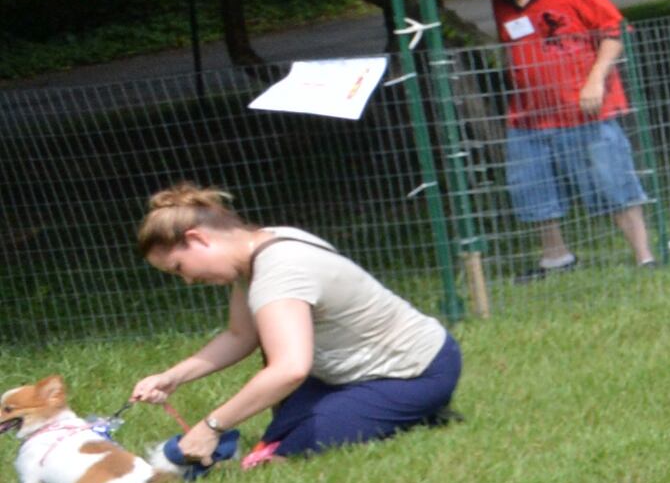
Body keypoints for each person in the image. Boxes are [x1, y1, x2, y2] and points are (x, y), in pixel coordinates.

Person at [130, 182, 463, 465]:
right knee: (275, 436)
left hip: (414, 372)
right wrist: (172, 377)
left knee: (280, 456)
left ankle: (420, 408)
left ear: (198, 239)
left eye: (179, 267)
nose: (187, 280)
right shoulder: (261, 248)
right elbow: (240, 335)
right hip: (342, 375)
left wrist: (209, 428)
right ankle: (392, 412)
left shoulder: (280, 270)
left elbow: (289, 369)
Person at [464, 0, 656, 274]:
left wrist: (595, 80)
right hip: (528, 115)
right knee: (531, 185)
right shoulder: (503, 4)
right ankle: (556, 257)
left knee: (612, 179)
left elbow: (614, 32)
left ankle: (645, 258)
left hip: (586, 109)